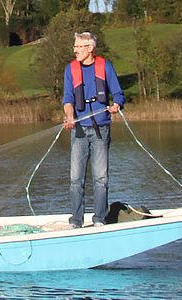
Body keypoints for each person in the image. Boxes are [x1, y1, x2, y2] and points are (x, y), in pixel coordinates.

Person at [61, 32, 125, 229]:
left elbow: (118, 94)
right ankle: (76, 221)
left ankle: (99, 219)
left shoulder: (105, 66)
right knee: (75, 179)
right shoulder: (70, 69)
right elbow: (68, 100)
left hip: (101, 130)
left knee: (101, 178)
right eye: (75, 47)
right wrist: (70, 116)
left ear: (90, 48)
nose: (75, 50)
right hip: (79, 131)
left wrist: (117, 105)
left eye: (78, 47)